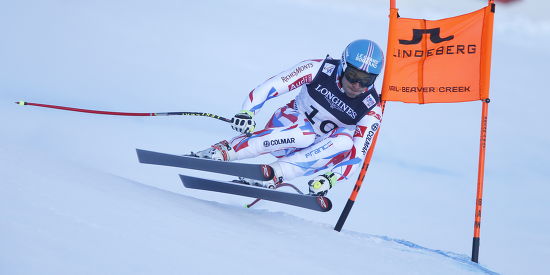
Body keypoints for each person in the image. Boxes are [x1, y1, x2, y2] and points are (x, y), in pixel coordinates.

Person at [191, 39, 384, 196]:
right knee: (305, 134)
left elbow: (358, 153)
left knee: (344, 141)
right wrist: (248, 112)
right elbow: (272, 86)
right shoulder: (318, 69)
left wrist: (331, 178)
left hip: (312, 152)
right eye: (352, 75)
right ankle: (226, 150)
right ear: (343, 65)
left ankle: (275, 174)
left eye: (366, 80)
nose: (357, 85)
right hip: (288, 126)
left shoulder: (372, 107)